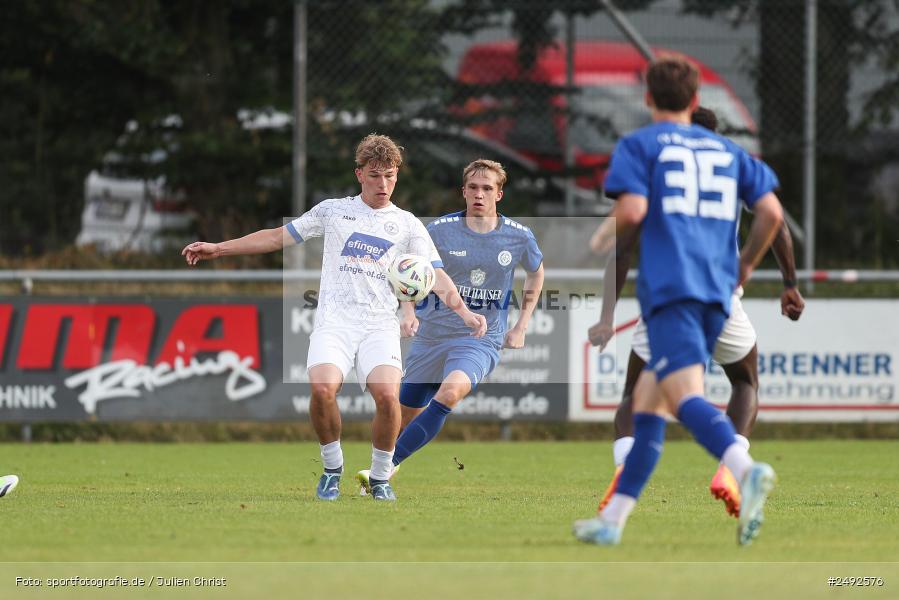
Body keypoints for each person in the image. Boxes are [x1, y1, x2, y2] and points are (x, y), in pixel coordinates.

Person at [182, 134, 486, 502]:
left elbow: (435, 274)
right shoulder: (333, 210)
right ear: (359, 174)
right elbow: (278, 237)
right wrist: (219, 248)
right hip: (335, 322)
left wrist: (465, 312)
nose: (383, 184)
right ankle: (331, 467)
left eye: (390, 176)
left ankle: (379, 477)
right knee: (323, 390)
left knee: (389, 397)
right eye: (375, 175)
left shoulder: (408, 225)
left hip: (379, 325)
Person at [573, 57, 784, 546]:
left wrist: (618, 231)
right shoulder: (728, 151)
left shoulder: (641, 145)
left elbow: (632, 210)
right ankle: (612, 523)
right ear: (694, 101)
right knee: (647, 406)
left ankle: (745, 468)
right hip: (717, 292)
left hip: (672, 289)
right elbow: (772, 212)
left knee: (683, 396)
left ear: (647, 97)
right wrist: (747, 264)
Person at [356, 159, 545, 492]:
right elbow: (407, 270)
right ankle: (379, 468)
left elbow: (536, 271)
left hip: (479, 338)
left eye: (487, 188)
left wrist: (522, 325)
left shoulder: (519, 237)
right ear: (463, 191)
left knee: (451, 392)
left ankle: (382, 471)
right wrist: (409, 311)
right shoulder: (439, 230)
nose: (479, 194)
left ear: (499, 194)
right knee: (401, 417)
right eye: (473, 187)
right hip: (431, 337)